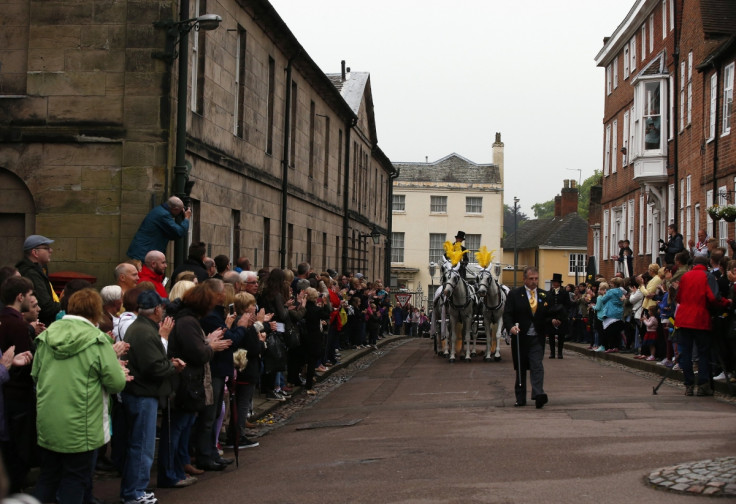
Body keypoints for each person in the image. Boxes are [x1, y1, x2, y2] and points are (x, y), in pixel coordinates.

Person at [31, 288, 128, 504]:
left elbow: (35, 374)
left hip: (48, 421)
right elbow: (115, 383)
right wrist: (119, 370)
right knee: (75, 480)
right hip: (81, 425)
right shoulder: (98, 340)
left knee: (48, 478)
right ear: (96, 311)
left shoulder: (46, 336)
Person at [0, 276, 38, 493]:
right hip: (17, 397)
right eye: (31, 295)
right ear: (20, 297)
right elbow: (27, 364)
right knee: (17, 451)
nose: (33, 299)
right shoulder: (17, 325)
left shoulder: (4, 320)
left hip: (6, 393)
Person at [675, 256, 730, 396]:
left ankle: (688, 384)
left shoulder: (685, 276)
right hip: (700, 318)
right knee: (703, 352)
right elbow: (713, 297)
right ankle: (703, 384)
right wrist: (725, 303)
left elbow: (679, 297)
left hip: (683, 318)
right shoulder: (708, 276)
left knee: (686, 353)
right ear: (706, 265)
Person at [503, 267, 550, 409]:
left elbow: (548, 314)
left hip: (537, 337)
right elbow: (507, 314)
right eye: (531, 279)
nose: (534, 281)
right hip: (521, 337)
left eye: (536, 279)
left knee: (537, 365)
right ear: (524, 279)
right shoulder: (515, 294)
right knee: (521, 368)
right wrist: (510, 327)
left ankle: (538, 394)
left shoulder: (543, 295)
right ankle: (520, 397)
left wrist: (553, 321)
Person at [126, 196, 191, 261]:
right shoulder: (163, 215)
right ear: (175, 209)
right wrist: (186, 219)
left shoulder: (159, 210)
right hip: (144, 254)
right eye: (180, 210)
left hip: (142, 251)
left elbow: (171, 234)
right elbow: (179, 232)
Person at [16, 234, 60, 327]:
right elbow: (46, 307)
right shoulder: (31, 273)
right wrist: (65, 303)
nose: (51, 251)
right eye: (46, 248)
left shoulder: (39, 269)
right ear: (35, 252)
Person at [545, 273, 571, 359]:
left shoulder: (564, 293)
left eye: (556, 282)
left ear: (559, 283)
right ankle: (552, 353)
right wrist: (552, 319)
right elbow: (547, 307)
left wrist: (560, 318)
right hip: (551, 317)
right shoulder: (548, 293)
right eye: (553, 282)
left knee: (561, 336)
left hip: (562, 317)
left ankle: (560, 352)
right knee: (551, 336)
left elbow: (567, 306)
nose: (554, 284)